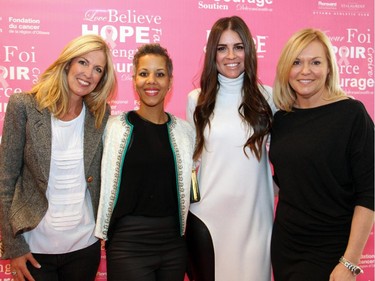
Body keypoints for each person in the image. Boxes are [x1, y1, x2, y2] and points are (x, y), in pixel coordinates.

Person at [0, 34, 117, 281]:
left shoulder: (100, 114)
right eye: (83, 63)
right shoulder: (25, 106)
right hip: (34, 249)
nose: (88, 74)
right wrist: (15, 246)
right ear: (67, 63)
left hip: (84, 247)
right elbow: (5, 180)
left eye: (98, 69)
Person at [270, 28, 374, 281]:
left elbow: (369, 194)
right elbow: (287, 182)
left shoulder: (352, 114)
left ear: (329, 68)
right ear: (286, 68)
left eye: (315, 62)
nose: (305, 71)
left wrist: (349, 262)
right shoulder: (282, 119)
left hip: (332, 251)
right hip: (286, 247)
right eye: (296, 62)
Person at [95, 43, 195, 281]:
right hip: (128, 244)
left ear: (170, 81)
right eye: (144, 73)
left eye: (160, 74)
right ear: (134, 80)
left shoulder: (186, 131)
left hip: (173, 243)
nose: (152, 80)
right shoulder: (113, 127)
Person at [185, 16, 275, 281]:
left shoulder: (268, 97)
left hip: (255, 220)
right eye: (222, 48)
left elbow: (285, 156)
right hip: (208, 218)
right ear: (212, 54)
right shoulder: (197, 100)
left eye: (238, 46)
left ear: (249, 49)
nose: (231, 55)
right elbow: (192, 162)